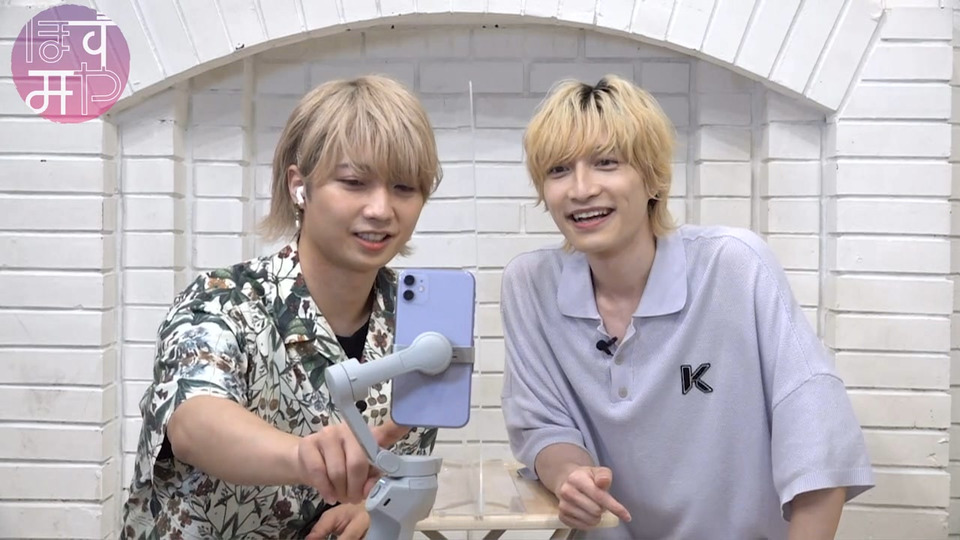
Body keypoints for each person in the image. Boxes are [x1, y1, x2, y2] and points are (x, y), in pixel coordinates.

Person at [499, 74, 874, 539]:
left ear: (653, 178)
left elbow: (819, 450)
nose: (580, 188)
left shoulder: (736, 266)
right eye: (558, 170)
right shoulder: (529, 285)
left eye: (606, 162)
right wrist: (570, 477)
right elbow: (542, 425)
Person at [121, 75, 443, 540]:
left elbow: (407, 469)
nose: (381, 208)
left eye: (404, 188)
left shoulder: (419, 324)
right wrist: (305, 457)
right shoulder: (222, 300)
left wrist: (373, 507)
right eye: (354, 182)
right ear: (299, 186)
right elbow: (194, 419)